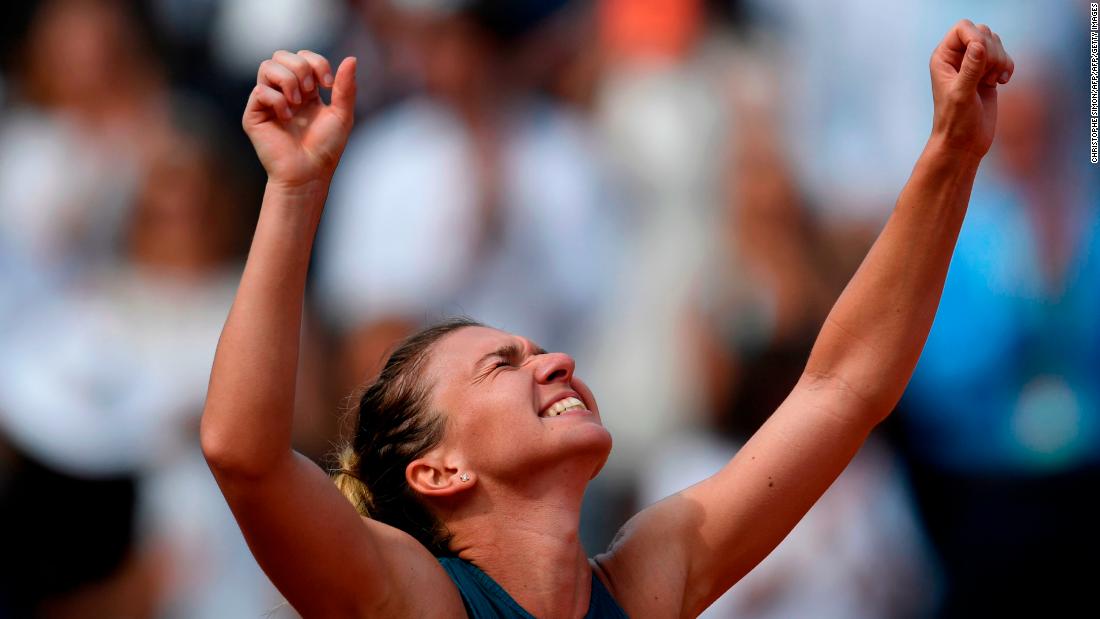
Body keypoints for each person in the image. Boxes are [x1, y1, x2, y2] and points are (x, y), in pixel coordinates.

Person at [201, 20, 1014, 617]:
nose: (553, 362)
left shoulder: (644, 581)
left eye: (532, 350)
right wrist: (295, 187)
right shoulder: (414, 601)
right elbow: (245, 456)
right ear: (438, 471)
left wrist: (950, 156)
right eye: (501, 364)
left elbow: (844, 383)